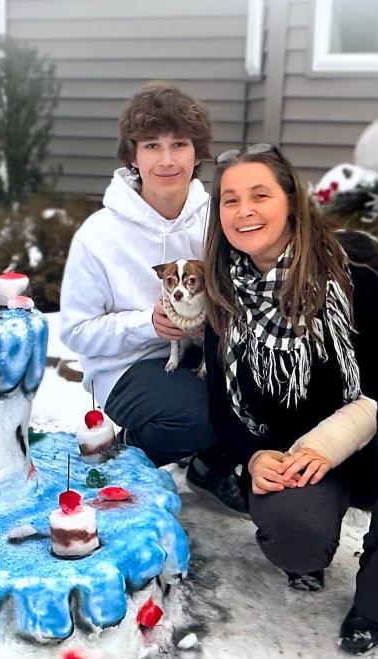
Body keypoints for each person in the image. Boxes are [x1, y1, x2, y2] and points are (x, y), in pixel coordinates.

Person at [201, 143, 378, 654]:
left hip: (365, 439)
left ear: (291, 202)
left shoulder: (353, 265)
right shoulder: (223, 290)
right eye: (230, 200)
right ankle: (307, 556)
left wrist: (333, 440)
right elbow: (221, 404)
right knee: (295, 540)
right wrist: (253, 458)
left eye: (259, 195)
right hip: (292, 459)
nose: (244, 210)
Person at [60, 83, 246, 512]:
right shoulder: (99, 234)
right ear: (133, 156)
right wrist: (147, 324)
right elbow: (76, 331)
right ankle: (126, 452)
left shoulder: (219, 221)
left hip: (207, 354)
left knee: (254, 392)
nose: (166, 159)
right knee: (196, 417)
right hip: (127, 366)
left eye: (179, 144)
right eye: (151, 145)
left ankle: (211, 466)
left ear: (196, 153)